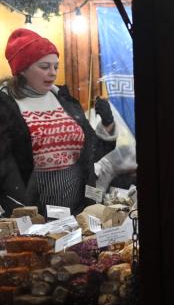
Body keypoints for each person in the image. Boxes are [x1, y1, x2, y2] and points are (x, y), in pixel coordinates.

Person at [0, 28, 117, 217]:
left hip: (76, 212)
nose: (53, 73)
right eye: (44, 67)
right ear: (22, 69)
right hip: (30, 215)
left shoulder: (64, 100)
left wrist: (107, 124)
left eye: (56, 66)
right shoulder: (5, 106)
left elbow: (90, 154)